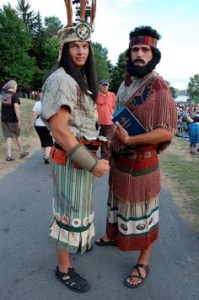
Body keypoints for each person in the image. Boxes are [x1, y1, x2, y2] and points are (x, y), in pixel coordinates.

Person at [96, 26, 177, 288]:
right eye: (135, 50)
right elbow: (117, 119)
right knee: (119, 204)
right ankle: (115, 235)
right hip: (121, 161)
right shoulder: (125, 83)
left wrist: (131, 140)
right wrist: (108, 144)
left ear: (153, 54)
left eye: (145, 50)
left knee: (144, 214)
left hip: (143, 163)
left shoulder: (160, 88)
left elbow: (168, 132)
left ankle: (143, 260)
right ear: (129, 53)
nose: (139, 55)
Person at [40, 0, 109, 294]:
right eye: (74, 46)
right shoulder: (61, 79)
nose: (80, 51)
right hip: (72, 160)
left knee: (78, 211)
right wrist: (93, 163)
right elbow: (60, 130)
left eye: (84, 46)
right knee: (67, 213)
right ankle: (64, 269)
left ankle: (74, 249)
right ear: (65, 50)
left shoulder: (77, 79)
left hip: (79, 160)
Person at [1, 80, 28, 161]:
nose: (17, 88)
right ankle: (22, 152)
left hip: (4, 119)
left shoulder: (4, 95)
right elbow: (16, 107)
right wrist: (19, 120)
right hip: (13, 120)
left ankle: (9, 156)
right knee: (17, 136)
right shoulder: (15, 95)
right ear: (13, 87)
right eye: (16, 86)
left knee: (8, 137)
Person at [29, 93, 53, 164]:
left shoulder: (37, 104)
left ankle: (45, 154)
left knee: (42, 139)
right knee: (49, 140)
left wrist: (31, 125)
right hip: (47, 125)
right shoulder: (51, 104)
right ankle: (46, 156)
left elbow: (33, 115)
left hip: (38, 125)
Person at [97, 80, 116, 159]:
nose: (105, 87)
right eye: (103, 85)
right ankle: (102, 156)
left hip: (110, 124)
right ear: (100, 86)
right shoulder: (96, 95)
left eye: (107, 85)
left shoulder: (112, 95)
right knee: (99, 141)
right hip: (99, 124)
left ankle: (106, 158)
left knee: (107, 142)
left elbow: (115, 107)